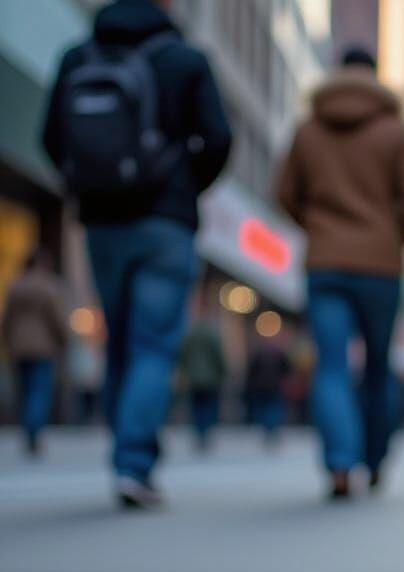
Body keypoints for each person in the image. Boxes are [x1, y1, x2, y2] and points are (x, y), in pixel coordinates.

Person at [42, 0, 232, 508]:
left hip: (102, 224)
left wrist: (93, 185)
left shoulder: (78, 57)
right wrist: (183, 185)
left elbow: (51, 138)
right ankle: (133, 463)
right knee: (152, 344)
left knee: (120, 342)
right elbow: (218, 138)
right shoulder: (185, 60)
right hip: (164, 223)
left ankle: (125, 454)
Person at [277, 46, 404, 499]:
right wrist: (389, 233)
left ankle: (340, 465)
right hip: (380, 265)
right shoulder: (397, 131)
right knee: (379, 367)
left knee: (332, 366)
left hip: (325, 262)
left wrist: (319, 228)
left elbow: (284, 192)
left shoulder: (308, 130)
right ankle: (376, 460)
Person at [1, 250, 69, 456]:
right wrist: (64, 339)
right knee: (39, 391)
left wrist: (7, 341)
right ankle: (33, 433)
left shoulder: (15, 285)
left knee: (24, 389)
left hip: (19, 346)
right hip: (43, 346)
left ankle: (27, 429)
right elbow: (57, 318)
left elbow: (7, 318)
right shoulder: (49, 286)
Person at [179, 295, 226, 450]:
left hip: (194, 377)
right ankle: (205, 432)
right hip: (211, 377)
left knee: (197, 406)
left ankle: (199, 432)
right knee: (209, 406)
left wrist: (184, 370)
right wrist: (223, 371)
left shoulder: (190, 332)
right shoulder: (211, 332)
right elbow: (218, 354)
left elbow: (183, 354)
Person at [245, 333, 290, 445]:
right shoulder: (279, 353)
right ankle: (272, 428)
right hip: (274, 385)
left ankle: (268, 428)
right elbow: (286, 369)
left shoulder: (259, 353)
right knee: (274, 408)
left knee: (265, 408)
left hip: (262, 386)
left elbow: (251, 371)